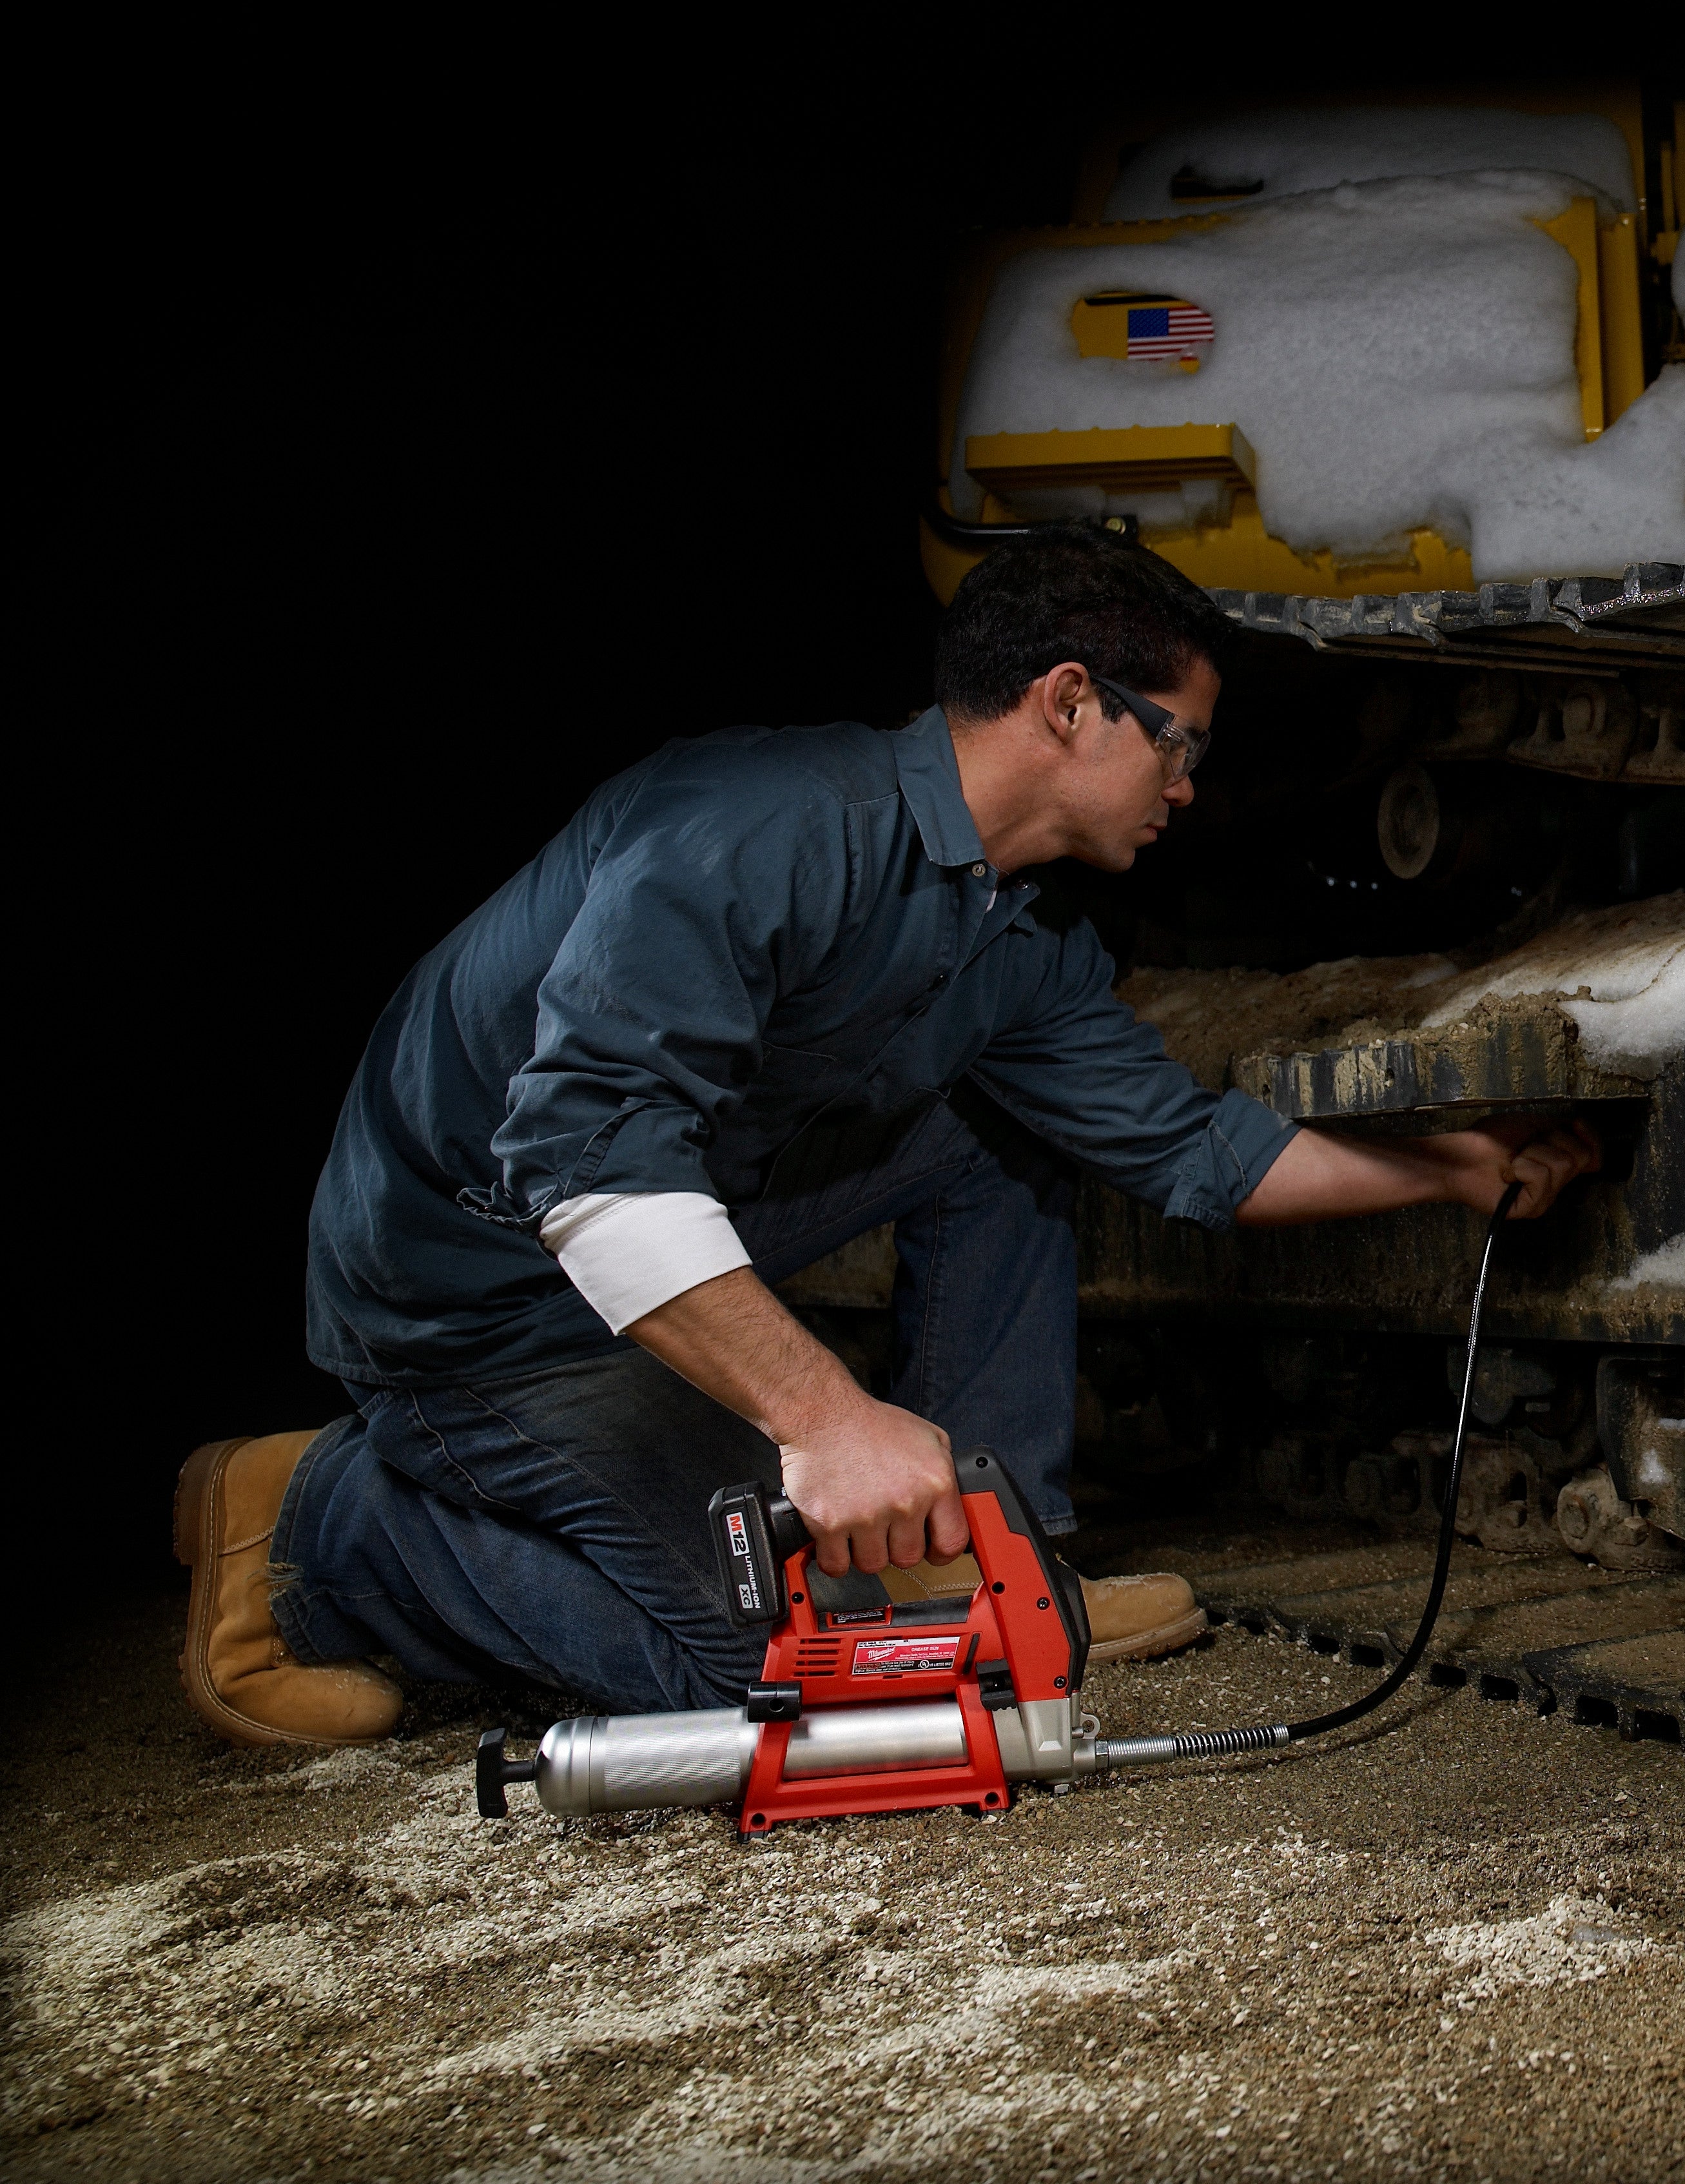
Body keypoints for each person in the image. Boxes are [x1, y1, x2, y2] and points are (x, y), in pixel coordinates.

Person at [179, 528, 1597, 1747]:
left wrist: (1454, 1169)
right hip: (472, 1292)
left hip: (643, 1223)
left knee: (994, 1135)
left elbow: (1190, 1151)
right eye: (1180, 743)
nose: (1187, 788)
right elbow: (587, 1159)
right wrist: (825, 1418)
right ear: (1069, 704)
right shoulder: (755, 825)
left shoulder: (1013, 935)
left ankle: (991, 1553)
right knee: (786, 1678)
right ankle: (322, 1528)